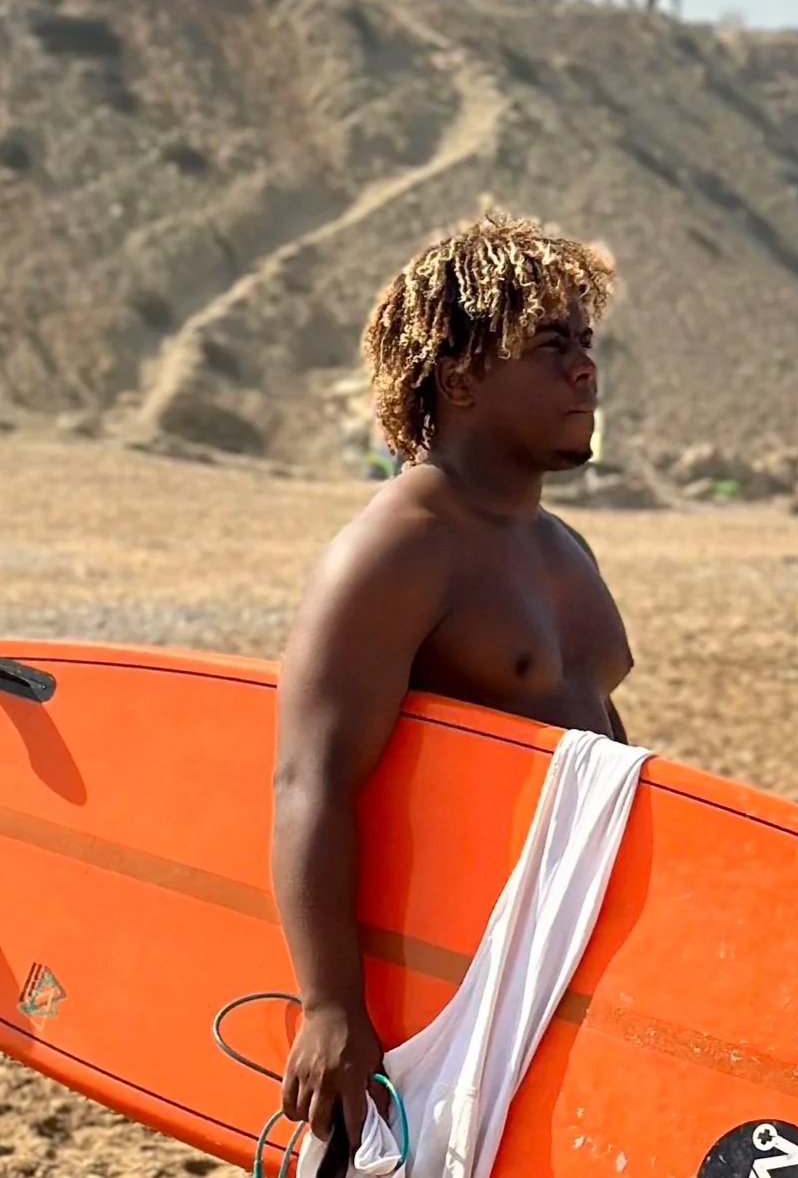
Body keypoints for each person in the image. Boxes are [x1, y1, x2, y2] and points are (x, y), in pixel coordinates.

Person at [272, 213, 635, 1158]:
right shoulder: (400, 547)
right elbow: (309, 778)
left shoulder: (566, 550)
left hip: (563, 958)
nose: (584, 369)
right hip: (440, 992)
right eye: (551, 345)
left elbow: (601, 751)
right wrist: (330, 1006)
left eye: (586, 342)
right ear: (461, 377)